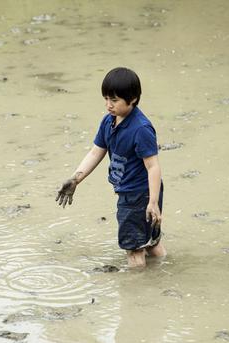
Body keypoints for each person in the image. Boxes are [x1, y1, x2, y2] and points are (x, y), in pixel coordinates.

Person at [56, 67, 165, 267]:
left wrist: (153, 203)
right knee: (151, 244)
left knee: (133, 251)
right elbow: (96, 152)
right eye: (106, 99)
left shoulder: (141, 129)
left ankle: (137, 292)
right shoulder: (108, 122)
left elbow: (153, 167)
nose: (108, 105)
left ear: (132, 99)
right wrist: (75, 179)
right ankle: (161, 278)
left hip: (139, 195)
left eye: (114, 100)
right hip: (136, 194)